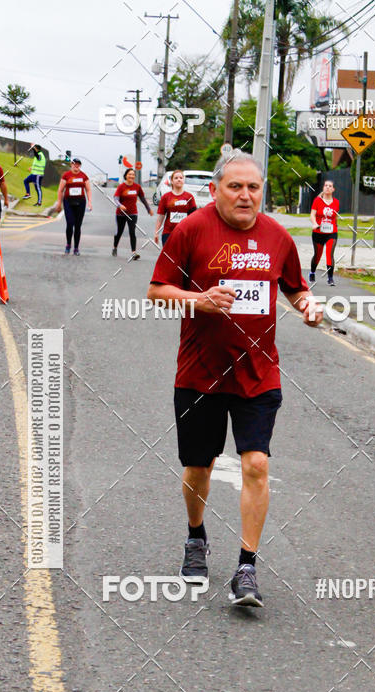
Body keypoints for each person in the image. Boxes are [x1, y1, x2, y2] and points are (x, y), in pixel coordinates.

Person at [147, 150, 322, 608]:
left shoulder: (278, 237)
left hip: (257, 372)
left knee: (256, 464)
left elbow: (294, 285)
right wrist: (198, 300)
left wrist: (306, 305)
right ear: (215, 190)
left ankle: (247, 566)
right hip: (200, 374)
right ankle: (196, 536)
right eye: (235, 187)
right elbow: (156, 290)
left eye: (253, 188)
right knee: (198, 468)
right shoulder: (191, 230)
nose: (246, 196)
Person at [113, 168, 153, 259]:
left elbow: (142, 199)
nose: (131, 176)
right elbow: (115, 198)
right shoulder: (121, 187)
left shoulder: (137, 187)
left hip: (133, 213)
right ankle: (115, 247)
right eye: (129, 174)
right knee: (119, 231)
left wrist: (148, 209)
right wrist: (120, 205)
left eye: (133, 175)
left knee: (132, 232)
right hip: (121, 213)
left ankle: (133, 252)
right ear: (126, 176)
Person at [55, 158, 92, 255]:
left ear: (80, 166)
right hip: (68, 202)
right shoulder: (66, 175)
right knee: (70, 224)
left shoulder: (84, 176)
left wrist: (90, 202)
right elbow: (60, 190)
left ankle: (76, 247)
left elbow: (88, 189)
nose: (76, 166)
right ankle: (68, 245)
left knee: (78, 226)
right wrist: (59, 203)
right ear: (71, 165)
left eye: (78, 165)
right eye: (74, 164)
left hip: (80, 202)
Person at [309, 179, 340, 286]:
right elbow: (312, 214)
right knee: (318, 254)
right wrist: (314, 223)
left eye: (330, 186)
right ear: (323, 188)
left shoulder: (336, 202)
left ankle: (330, 277)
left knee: (329, 254)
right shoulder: (317, 201)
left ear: (333, 189)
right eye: (326, 185)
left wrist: (335, 226)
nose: (327, 187)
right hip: (318, 231)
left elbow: (334, 217)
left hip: (331, 232)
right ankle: (312, 272)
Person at [155, 170, 197, 246]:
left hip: (184, 233)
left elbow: (194, 217)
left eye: (181, 178)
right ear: (172, 181)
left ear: (183, 180)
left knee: (181, 257)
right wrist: (156, 232)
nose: (179, 179)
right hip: (168, 232)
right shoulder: (166, 197)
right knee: (168, 256)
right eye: (176, 178)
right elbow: (161, 216)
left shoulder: (189, 197)